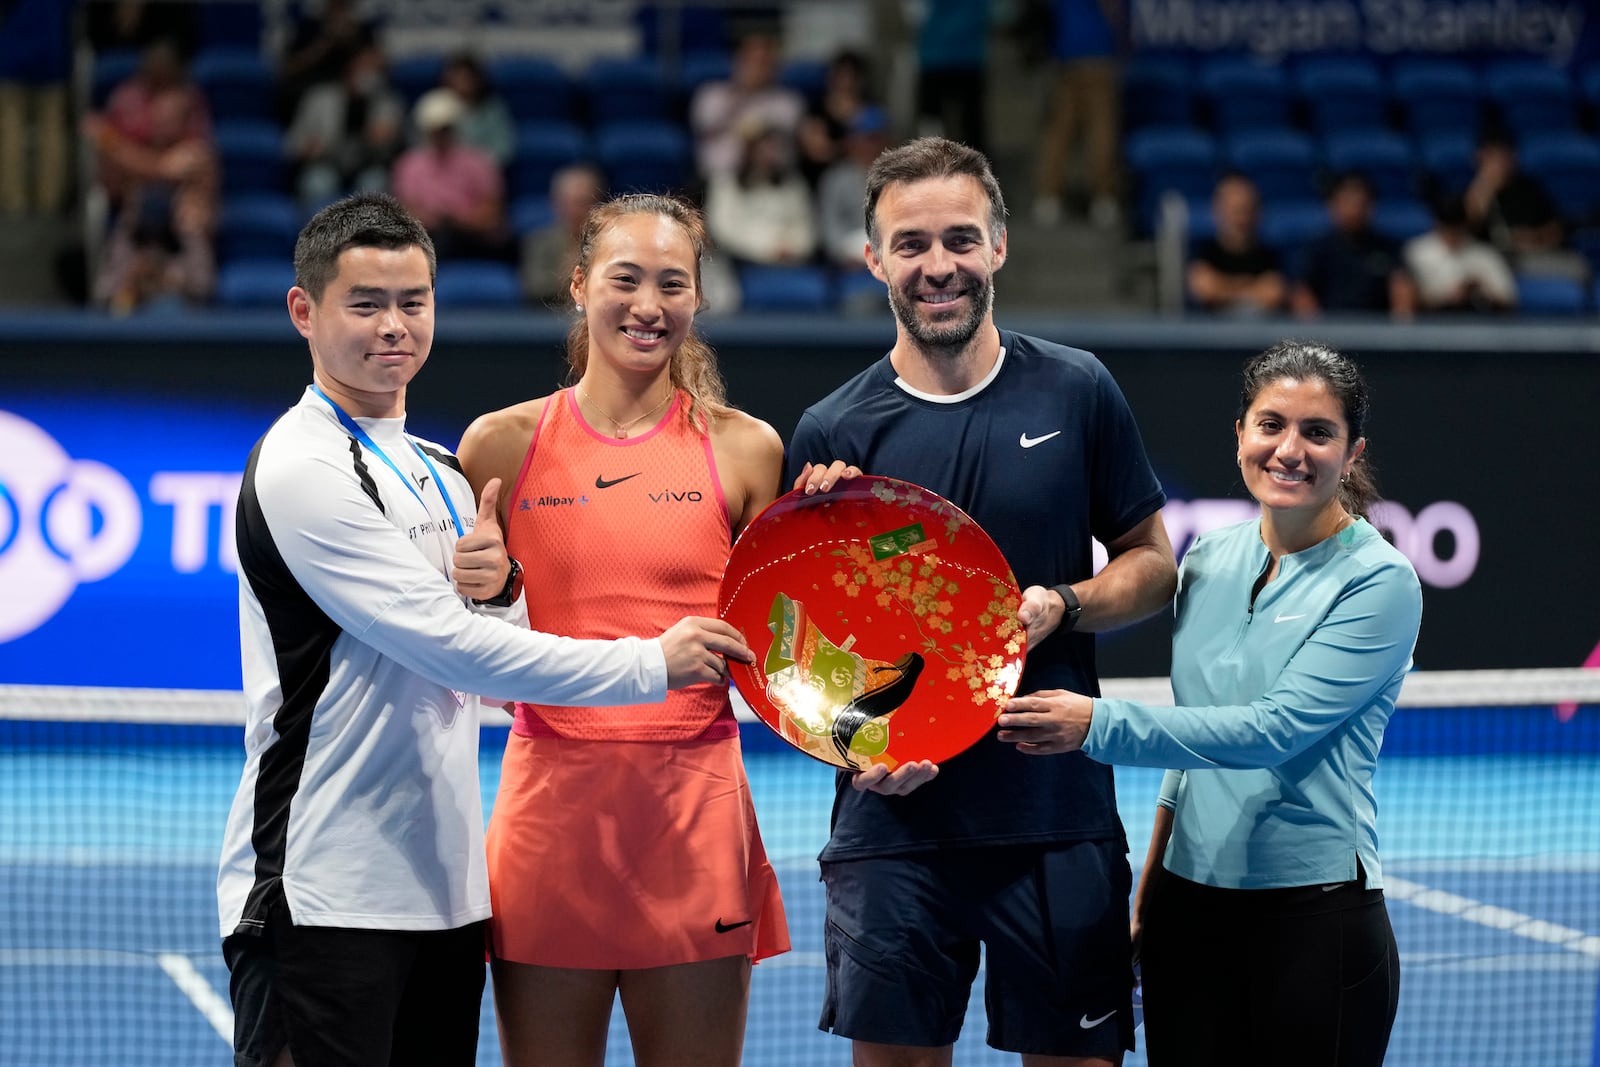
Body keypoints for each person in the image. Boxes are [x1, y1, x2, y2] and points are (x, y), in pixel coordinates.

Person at [216, 192, 754, 1067]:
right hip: (325, 894)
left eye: (413, 303)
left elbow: (485, 657)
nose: (394, 326)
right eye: (367, 303)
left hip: (444, 895)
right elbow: (449, 645)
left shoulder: (435, 469)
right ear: (304, 311)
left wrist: (502, 586)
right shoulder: (302, 465)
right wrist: (651, 663)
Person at [787, 136, 1177, 1066]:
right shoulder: (834, 431)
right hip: (894, 824)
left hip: (1055, 811)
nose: (939, 266)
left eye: (960, 239)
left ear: (998, 244)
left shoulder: (1077, 388)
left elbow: (1152, 565)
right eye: (911, 244)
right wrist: (859, 742)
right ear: (873, 257)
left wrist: (1063, 604)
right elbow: (803, 652)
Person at [999, 340, 1421, 1067]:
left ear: (1352, 451)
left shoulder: (1380, 582)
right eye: (1271, 425)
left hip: (1315, 913)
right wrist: (1148, 898)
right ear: (1239, 434)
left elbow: (1273, 730)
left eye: (1317, 433)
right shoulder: (1205, 561)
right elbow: (1189, 749)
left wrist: (1095, 723)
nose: (1290, 450)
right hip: (1188, 912)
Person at [456, 192, 790, 1067]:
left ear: (698, 299)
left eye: (672, 284)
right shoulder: (498, 445)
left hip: (696, 817)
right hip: (548, 817)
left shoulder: (749, 449)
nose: (649, 305)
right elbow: (475, 659)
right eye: (626, 279)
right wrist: (484, 598)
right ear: (578, 285)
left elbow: (784, 652)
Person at [1033, 0, 1124, 229]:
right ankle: (1103, 199)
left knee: (1060, 130)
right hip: (1096, 53)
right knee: (1099, 130)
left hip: (1068, 52)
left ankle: (1049, 198)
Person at [390, 87, 510, 261]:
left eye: (445, 129)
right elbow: (406, 211)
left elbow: (492, 212)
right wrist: (435, 218)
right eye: (435, 130)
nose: (440, 135)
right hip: (428, 235)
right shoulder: (410, 164)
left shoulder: (478, 162)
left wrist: (457, 218)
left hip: (471, 235)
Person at [285, 40, 404, 210]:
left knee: (376, 183)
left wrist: (387, 140)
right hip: (327, 164)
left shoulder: (387, 103)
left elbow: (397, 150)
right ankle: (320, 235)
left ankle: (364, 237)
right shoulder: (319, 99)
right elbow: (292, 143)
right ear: (351, 69)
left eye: (376, 69)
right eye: (366, 67)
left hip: (368, 167)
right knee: (316, 184)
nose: (371, 74)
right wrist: (308, 148)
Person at [1290, 171, 1417, 319]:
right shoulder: (1315, 249)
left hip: (1378, 331)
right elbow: (1302, 293)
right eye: (1347, 202)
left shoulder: (1389, 247)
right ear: (1332, 205)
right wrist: (1316, 333)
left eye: (1361, 203)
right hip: (1328, 330)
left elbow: (1401, 290)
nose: (1354, 210)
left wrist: (1400, 330)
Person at [689, 29, 805, 181]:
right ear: (738, 61)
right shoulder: (711, 95)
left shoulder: (787, 102)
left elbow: (789, 133)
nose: (757, 68)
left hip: (774, 182)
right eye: (751, 60)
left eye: (764, 62)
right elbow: (704, 126)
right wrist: (741, 95)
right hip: (720, 181)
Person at [704, 119, 818, 267]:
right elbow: (722, 230)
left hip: (789, 261)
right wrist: (767, 248)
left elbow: (806, 228)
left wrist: (792, 247)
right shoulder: (725, 184)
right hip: (741, 263)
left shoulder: (794, 185)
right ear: (749, 150)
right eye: (762, 148)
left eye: (774, 148)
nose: (769, 154)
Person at [1185, 172, 1285, 315]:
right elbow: (1205, 289)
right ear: (1218, 210)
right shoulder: (1203, 251)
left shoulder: (1269, 255)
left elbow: (1273, 293)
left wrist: (1222, 287)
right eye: (1235, 210)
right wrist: (1251, 287)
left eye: (1247, 209)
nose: (1242, 218)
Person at [1402, 194, 1517, 313]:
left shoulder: (1485, 255)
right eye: (1446, 227)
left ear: (1465, 225)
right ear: (1437, 224)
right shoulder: (1417, 252)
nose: (1451, 233)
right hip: (1431, 321)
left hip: (1478, 322)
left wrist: (1479, 289)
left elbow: (1507, 300)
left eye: (1456, 227)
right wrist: (1447, 298)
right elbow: (1406, 301)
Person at [520, 161, 604, 306]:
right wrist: (568, 277)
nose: (577, 211)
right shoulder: (540, 242)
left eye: (584, 202)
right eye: (571, 203)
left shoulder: (609, 241)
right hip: (550, 317)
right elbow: (533, 287)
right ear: (556, 203)